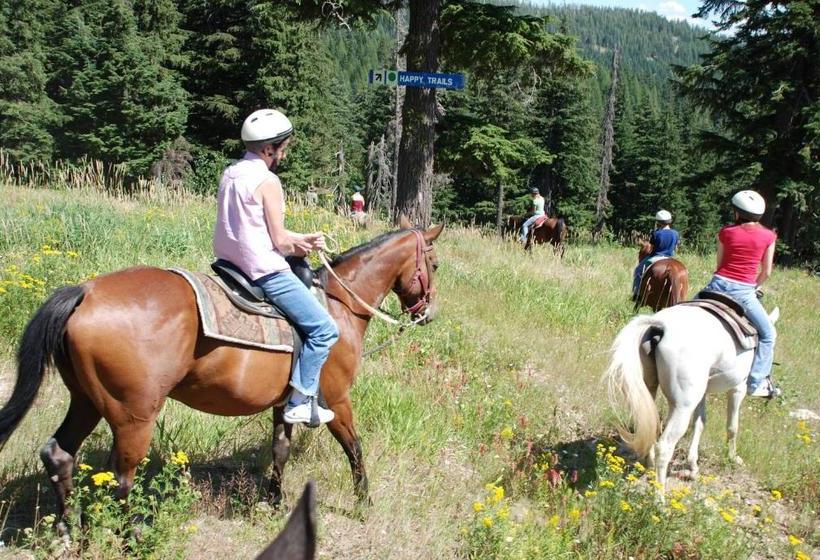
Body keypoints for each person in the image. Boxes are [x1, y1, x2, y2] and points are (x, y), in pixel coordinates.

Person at [213, 109, 339, 425]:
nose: (283, 153)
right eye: (283, 147)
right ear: (269, 148)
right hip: (264, 270)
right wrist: (303, 244)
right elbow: (280, 243)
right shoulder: (268, 181)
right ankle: (299, 399)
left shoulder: (230, 173)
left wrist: (301, 239)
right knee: (325, 329)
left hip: (230, 265)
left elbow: (251, 228)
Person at [703, 190, 779, 398]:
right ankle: (755, 383)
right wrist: (755, 285)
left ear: (737, 213)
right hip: (744, 291)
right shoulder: (769, 236)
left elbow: (719, 264)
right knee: (768, 335)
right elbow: (767, 272)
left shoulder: (725, 232)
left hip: (716, 286)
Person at [632, 210, 680, 300]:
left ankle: (637, 294)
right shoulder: (675, 233)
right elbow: (675, 247)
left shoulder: (656, 233)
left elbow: (651, 247)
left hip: (656, 257)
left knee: (638, 271)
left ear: (659, 222)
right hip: (670, 258)